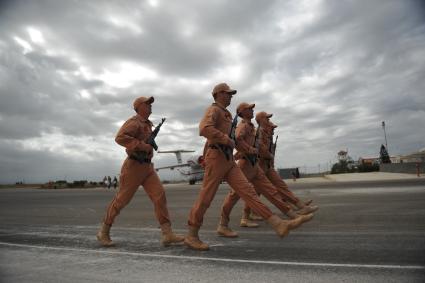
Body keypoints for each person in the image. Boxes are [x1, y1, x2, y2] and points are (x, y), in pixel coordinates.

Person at [184, 83, 299, 251]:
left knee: (249, 192)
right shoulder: (214, 110)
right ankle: (192, 235)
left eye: (231, 93)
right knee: (206, 198)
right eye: (228, 93)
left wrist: (235, 144)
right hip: (216, 158)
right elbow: (204, 129)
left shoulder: (227, 114)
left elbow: (229, 139)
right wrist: (225, 140)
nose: (231, 96)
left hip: (228, 159)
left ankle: (278, 223)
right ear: (218, 94)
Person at [96, 96, 184, 247]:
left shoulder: (148, 124)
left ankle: (167, 234)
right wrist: (142, 146)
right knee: (122, 200)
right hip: (133, 166)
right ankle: (103, 231)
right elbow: (120, 137)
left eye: (151, 104)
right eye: (147, 104)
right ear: (139, 107)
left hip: (148, 167)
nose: (150, 106)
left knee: (160, 196)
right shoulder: (134, 122)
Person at [217, 103, 313, 237]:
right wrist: (249, 150)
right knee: (234, 196)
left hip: (254, 165)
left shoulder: (251, 127)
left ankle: (292, 214)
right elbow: (238, 139)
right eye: (250, 109)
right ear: (243, 112)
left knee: (272, 190)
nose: (252, 110)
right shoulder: (243, 126)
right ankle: (225, 224)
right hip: (246, 165)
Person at [254, 111, 318, 214]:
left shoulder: (266, 135)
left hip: (267, 166)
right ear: (261, 120)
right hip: (260, 166)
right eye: (267, 119)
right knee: (253, 192)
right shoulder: (259, 132)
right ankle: (247, 215)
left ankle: (297, 205)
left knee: (280, 186)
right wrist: (269, 155)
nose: (272, 128)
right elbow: (260, 149)